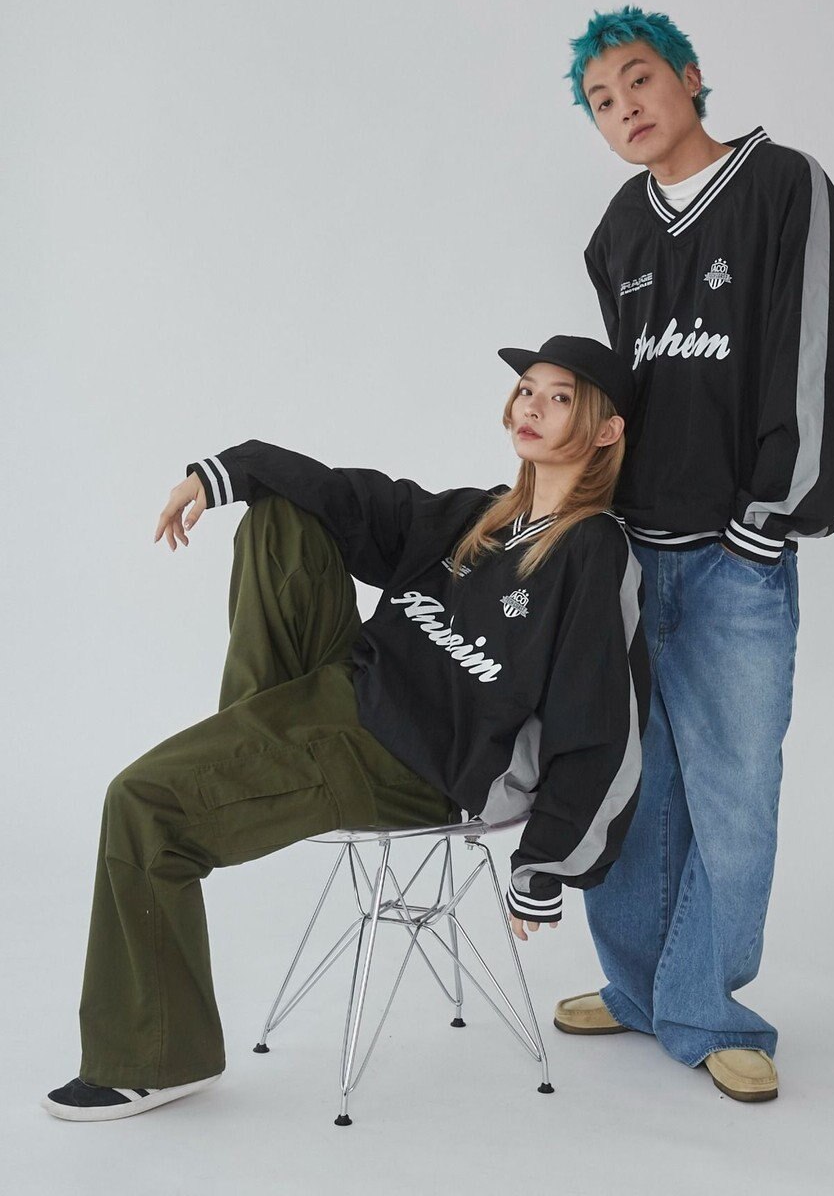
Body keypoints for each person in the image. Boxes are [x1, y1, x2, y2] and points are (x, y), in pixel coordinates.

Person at [41, 335, 650, 1121]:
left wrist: (545, 865)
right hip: (349, 695)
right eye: (527, 388)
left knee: (141, 802)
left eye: (559, 397)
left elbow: (602, 720)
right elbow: (357, 499)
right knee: (284, 517)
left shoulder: (593, 550)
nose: (530, 405)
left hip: (414, 765)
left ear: (606, 430)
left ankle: (154, 1060)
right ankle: (254, 747)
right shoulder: (478, 516)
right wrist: (222, 473)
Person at [552, 8, 834, 1102]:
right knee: (633, 786)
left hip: (739, 556)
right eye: (601, 102)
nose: (625, 108)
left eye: (638, 80)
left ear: (689, 77)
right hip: (633, 556)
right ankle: (643, 990)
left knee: (734, 793)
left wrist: (772, 513)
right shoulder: (617, 232)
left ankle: (705, 1004)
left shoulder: (784, 185)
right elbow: (620, 399)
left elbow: (823, 349)